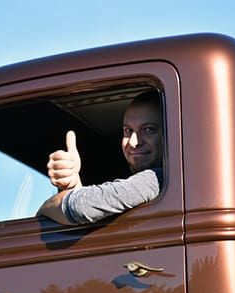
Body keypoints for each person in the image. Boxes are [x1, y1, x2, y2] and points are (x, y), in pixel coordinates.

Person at [37, 90, 164, 225]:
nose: (133, 142)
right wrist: (72, 185)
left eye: (149, 129)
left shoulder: (160, 177)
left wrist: (45, 208)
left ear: (170, 133)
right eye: (128, 130)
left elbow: (81, 207)